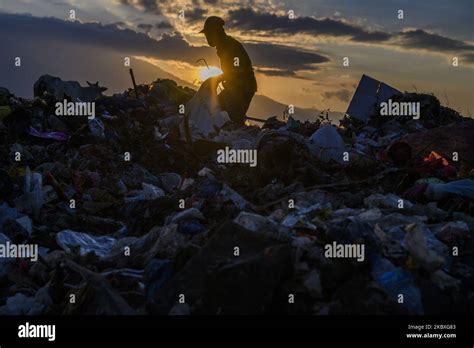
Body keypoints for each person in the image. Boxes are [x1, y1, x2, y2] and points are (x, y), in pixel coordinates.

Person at [199, 16, 257, 125]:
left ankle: (235, 138)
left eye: (208, 34)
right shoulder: (223, 46)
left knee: (233, 120)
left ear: (216, 32)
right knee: (217, 109)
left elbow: (237, 70)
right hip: (234, 87)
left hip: (241, 88)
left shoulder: (229, 46)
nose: (207, 38)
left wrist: (218, 79)